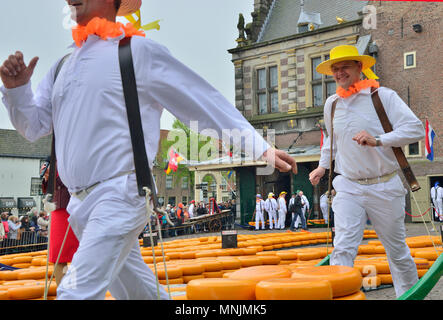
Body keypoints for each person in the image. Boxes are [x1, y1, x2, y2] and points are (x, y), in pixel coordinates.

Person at [0, 0, 296, 300]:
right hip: (80, 205)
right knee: (139, 292)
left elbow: (201, 101)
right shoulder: (62, 66)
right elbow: (34, 126)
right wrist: (17, 91)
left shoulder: (136, 52)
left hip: (120, 195)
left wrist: (260, 149)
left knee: (74, 292)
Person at [309, 45, 424, 297]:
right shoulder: (332, 104)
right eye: (335, 69)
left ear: (360, 67)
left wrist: (379, 139)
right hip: (348, 184)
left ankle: (408, 294)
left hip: (384, 184)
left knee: (396, 250)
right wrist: (322, 166)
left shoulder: (382, 96)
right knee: (343, 246)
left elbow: (416, 129)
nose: (339, 73)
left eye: (345, 67)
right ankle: (341, 294)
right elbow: (331, 140)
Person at [42, 164, 80, 286]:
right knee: (58, 256)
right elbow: (49, 190)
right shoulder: (55, 158)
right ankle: (65, 292)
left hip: (74, 207)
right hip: (59, 209)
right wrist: (48, 178)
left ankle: (74, 290)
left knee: (78, 254)